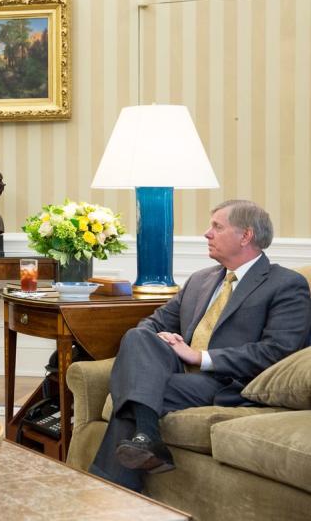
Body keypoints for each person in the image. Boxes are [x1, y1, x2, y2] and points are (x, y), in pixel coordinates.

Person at [88, 200, 311, 491]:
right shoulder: (200, 280)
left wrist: (201, 356)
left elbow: (278, 351)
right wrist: (165, 339)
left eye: (217, 227)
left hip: (227, 381)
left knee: (137, 390)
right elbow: (153, 322)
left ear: (245, 236)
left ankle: (107, 488)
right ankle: (147, 437)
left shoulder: (286, 284)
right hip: (180, 370)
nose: (207, 233)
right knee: (137, 336)